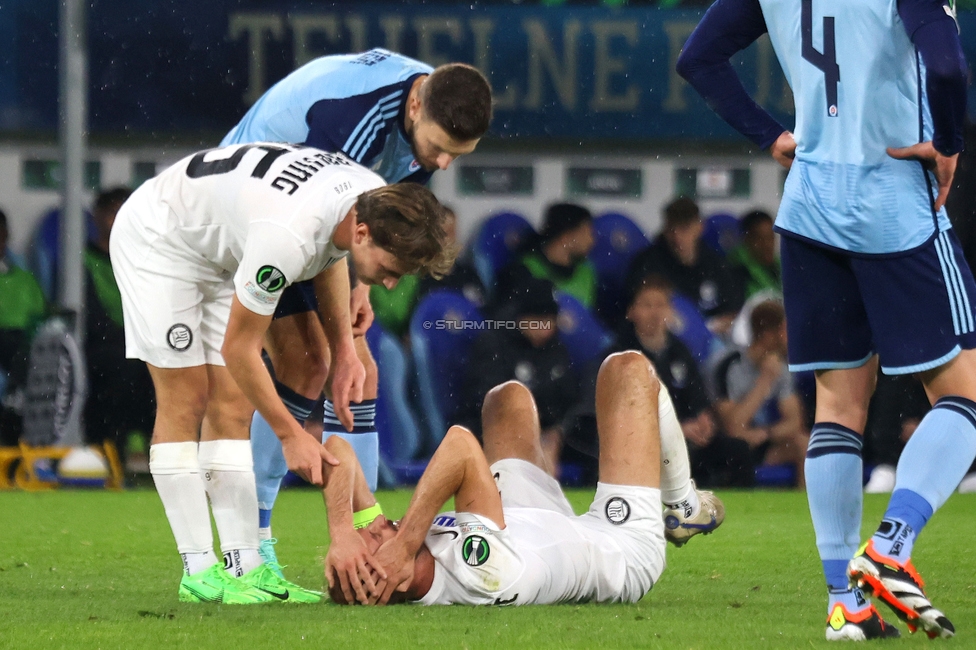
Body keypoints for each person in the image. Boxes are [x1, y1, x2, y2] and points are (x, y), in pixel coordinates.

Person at [678, 0, 971, 640]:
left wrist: (770, 135)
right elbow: (946, 69)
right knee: (965, 396)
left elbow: (697, 58)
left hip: (809, 210)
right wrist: (949, 143)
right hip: (894, 203)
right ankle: (891, 547)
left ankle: (844, 603)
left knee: (837, 410)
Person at [111, 142, 454, 604]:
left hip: (215, 252)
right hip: (161, 241)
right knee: (187, 397)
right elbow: (241, 349)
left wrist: (344, 353)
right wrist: (290, 434)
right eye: (391, 270)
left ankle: (244, 567)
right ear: (364, 231)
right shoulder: (286, 237)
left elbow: (330, 257)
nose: (390, 284)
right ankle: (198, 570)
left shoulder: (372, 198)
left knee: (231, 403)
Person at [222, 49, 491, 568]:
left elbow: (375, 217)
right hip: (255, 206)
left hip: (315, 218)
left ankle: (368, 531)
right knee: (310, 362)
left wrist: (360, 292)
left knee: (359, 372)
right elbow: (325, 217)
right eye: (439, 149)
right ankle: (247, 550)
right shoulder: (353, 123)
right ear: (415, 105)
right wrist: (343, 330)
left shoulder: (427, 112)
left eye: (458, 155)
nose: (441, 164)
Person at [321, 350, 725, 606]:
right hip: (616, 547)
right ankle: (685, 506)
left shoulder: (390, 555)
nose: (372, 529)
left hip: (523, 523)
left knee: (506, 399)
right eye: (372, 542)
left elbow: (339, 457)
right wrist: (406, 542)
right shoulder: (479, 571)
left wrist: (342, 535)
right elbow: (460, 446)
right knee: (627, 369)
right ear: (393, 577)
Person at [619, 274, 753, 487]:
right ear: (631, 311)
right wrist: (675, 429)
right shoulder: (620, 357)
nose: (655, 313)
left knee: (737, 451)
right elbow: (625, 415)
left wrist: (703, 421)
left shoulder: (680, 352)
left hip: (686, 440)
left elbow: (696, 397)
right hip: (645, 445)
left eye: (660, 305)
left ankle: (740, 514)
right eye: (647, 305)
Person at [457, 279, 576, 473]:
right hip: (494, 433)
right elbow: (486, 401)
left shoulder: (556, 348)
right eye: (539, 321)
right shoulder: (494, 345)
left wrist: (556, 433)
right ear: (522, 317)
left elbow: (570, 399)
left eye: (550, 321)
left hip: (546, 437)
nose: (545, 328)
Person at [83, 188, 156, 458]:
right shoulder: (82, 262)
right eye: (114, 212)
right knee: (118, 369)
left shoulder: (148, 261)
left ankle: (166, 459)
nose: (121, 219)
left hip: (145, 345)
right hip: (105, 349)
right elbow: (92, 320)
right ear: (97, 217)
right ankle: (113, 456)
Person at [707, 300, 808, 486]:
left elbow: (795, 423)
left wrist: (765, 433)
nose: (789, 337)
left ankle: (804, 506)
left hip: (761, 440)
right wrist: (765, 380)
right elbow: (733, 427)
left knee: (804, 443)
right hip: (726, 446)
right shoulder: (729, 365)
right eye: (784, 330)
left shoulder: (780, 367)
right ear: (769, 334)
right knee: (739, 448)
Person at [625, 197, 742, 336]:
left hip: (712, 340)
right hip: (665, 340)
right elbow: (637, 313)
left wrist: (706, 328)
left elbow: (733, 312)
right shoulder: (647, 264)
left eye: (684, 228)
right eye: (671, 229)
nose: (677, 237)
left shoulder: (716, 264)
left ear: (700, 227)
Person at [494, 203, 598, 311]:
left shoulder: (587, 273)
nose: (592, 240)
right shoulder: (523, 270)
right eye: (588, 233)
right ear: (567, 235)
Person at [0, 209, 46, 444]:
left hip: (19, 345)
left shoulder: (25, 279)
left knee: (24, 357)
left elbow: (39, 316)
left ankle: (13, 430)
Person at [728, 210, 781, 299]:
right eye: (760, 239)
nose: (767, 244)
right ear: (746, 239)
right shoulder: (735, 269)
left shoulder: (782, 266)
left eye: (770, 237)